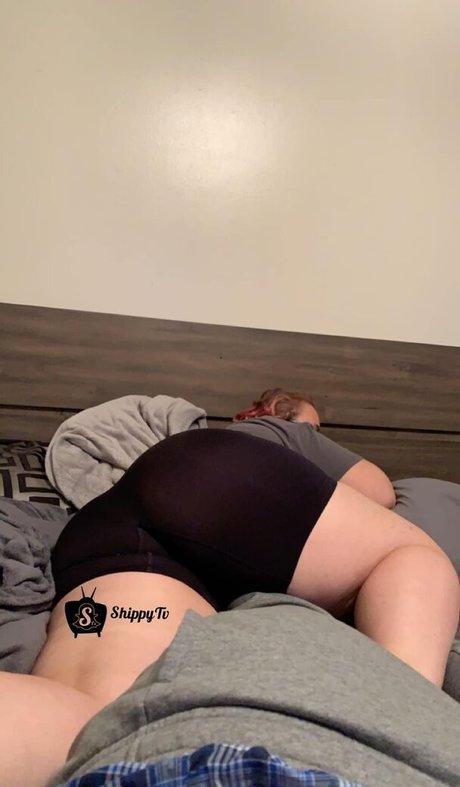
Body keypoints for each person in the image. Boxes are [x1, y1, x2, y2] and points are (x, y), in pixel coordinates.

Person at [1, 425, 459, 786]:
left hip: (110, 534)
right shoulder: (293, 430)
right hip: (215, 484)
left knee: (97, 720)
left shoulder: (240, 434)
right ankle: (393, 720)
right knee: (408, 556)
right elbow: (380, 490)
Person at [227, 387, 396, 507]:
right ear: (279, 414)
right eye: (312, 430)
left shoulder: (227, 441)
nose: (316, 438)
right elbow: (380, 494)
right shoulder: (287, 431)